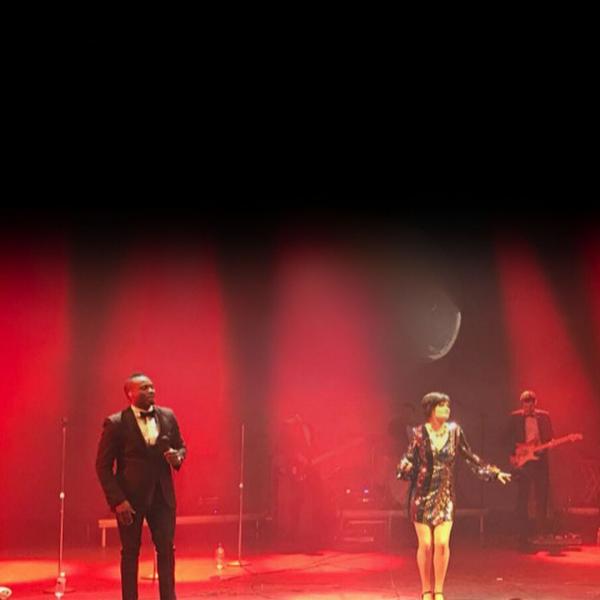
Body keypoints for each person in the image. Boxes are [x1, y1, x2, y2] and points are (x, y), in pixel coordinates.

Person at [397, 392, 511, 600]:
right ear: (431, 409)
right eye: (442, 406)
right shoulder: (419, 433)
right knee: (426, 544)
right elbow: (409, 456)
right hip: (422, 494)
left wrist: (494, 472)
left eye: (448, 406)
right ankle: (425, 591)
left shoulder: (455, 432)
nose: (447, 410)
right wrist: (405, 465)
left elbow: (470, 456)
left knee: (441, 543)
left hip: (445, 494)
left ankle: (438, 591)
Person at [96, 373, 186, 600]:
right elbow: (103, 466)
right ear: (130, 393)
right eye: (145, 388)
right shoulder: (116, 423)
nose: (151, 391)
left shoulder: (167, 416)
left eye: (152, 387)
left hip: (162, 496)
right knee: (130, 553)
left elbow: (181, 446)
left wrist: (178, 457)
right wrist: (118, 501)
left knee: (166, 550)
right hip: (130, 500)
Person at [508, 390, 553, 548]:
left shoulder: (544, 416)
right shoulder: (514, 418)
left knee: (542, 497)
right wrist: (513, 456)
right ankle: (522, 534)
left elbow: (549, 437)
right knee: (523, 497)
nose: (529, 409)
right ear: (522, 405)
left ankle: (542, 533)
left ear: (535, 404)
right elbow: (506, 439)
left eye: (531, 405)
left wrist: (543, 445)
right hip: (524, 461)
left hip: (540, 459)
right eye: (526, 406)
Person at [273, 414, 323, 551]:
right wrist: (298, 459)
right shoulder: (290, 430)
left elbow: (313, 445)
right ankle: (294, 533)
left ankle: (314, 532)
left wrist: (311, 459)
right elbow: (287, 448)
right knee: (296, 501)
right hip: (297, 468)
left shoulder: (310, 428)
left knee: (314, 498)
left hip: (309, 467)